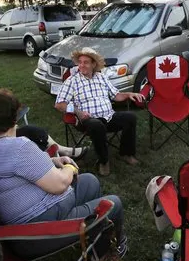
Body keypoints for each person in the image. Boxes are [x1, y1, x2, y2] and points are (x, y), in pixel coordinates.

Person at [0, 88, 126, 257]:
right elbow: (60, 185)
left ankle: (94, 243)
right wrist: (69, 168)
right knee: (114, 203)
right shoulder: (19, 147)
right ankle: (111, 254)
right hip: (39, 230)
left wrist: (52, 161)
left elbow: (18, 169)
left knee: (90, 181)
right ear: (14, 117)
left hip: (30, 223)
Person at [0, 66, 87, 159]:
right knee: (27, 140)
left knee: (31, 132)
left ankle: (56, 155)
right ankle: (53, 160)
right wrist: (3, 134)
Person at [54, 47, 144, 176]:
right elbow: (59, 104)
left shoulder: (101, 77)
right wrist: (77, 112)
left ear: (93, 64)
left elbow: (116, 95)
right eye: (80, 62)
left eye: (86, 62)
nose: (81, 65)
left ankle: (126, 153)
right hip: (87, 120)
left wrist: (129, 94)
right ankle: (103, 161)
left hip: (108, 116)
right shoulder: (72, 81)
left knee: (130, 117)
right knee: (97, 125)